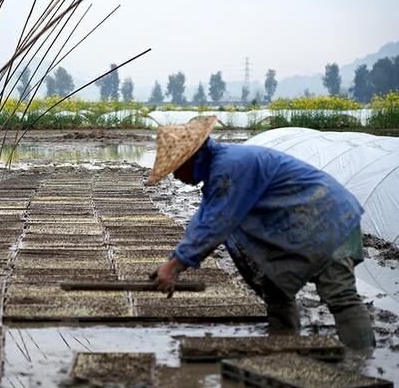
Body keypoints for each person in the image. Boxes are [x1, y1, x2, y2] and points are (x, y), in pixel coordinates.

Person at [147, 116, 375, 350]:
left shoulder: (229, 166)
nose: (175, 177)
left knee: (339, 295)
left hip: (327, 221)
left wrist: (176, 266)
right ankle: (283, 348)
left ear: (191, 158)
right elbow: (203, 220)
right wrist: (173, 260)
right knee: (275, 288)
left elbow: (216, 225)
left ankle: (362, 361)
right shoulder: (219, 170)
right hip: (298, 227)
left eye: (175, 169)